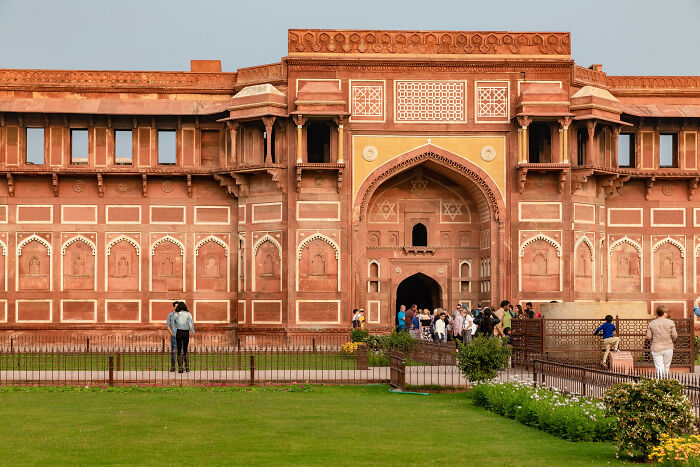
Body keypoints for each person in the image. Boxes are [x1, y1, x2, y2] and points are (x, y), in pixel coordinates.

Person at [646, 304, 677, 377]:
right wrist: (671, 340)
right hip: (668, 347)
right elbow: (674, 335)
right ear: (665, 313)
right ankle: (667, 383)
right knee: (666, 367)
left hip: (656, 347)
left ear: (657, 313)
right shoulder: (670, 322)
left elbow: (649, 336)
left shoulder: (652, 323)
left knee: (659, 367)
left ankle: (660, 384)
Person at [173, 301, 195, 373]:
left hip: (179, 332)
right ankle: (187, 367)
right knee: (185, 349)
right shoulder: (188, 314)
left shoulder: (176, 314)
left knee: (179, 349)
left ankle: (180, 368)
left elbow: (173, 324)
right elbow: (190, 323)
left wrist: (174, 331)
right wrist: (192, 331)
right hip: (186, 332)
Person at [165, 301, 180, 372]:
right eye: (176, 306)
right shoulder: (170, 315)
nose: (177, 307)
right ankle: (173, 366)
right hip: (174, 335)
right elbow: (168, 325)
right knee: (173, 351)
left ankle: (181, 366)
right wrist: (171, 333)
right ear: (173, 307)